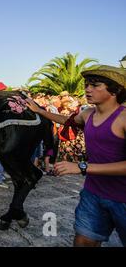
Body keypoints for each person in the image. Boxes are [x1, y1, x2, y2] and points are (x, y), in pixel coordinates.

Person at [26, 65, 126, 247]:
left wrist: (82, 166)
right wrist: (40, 111)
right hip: (93, 194)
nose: (88, 89)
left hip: (123, 199)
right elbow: (66, 120)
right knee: (83, 242)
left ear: (115, 90)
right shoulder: (87, 114)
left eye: (95, 85)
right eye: (87, 85)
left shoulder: (124, 118)